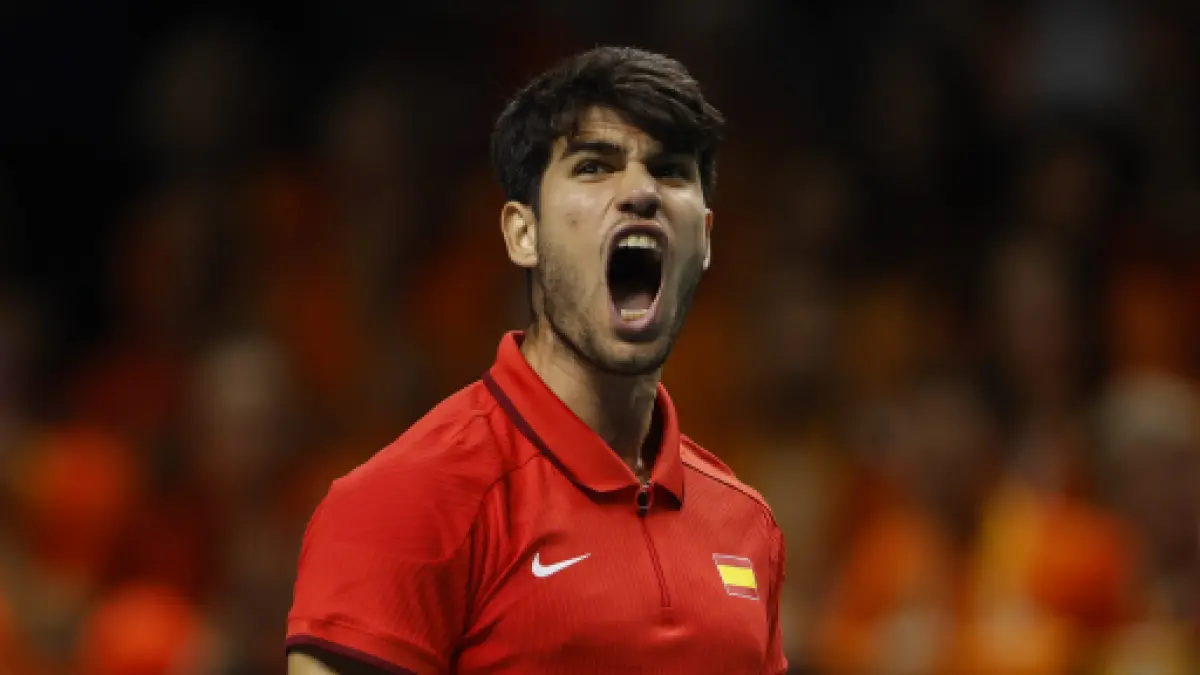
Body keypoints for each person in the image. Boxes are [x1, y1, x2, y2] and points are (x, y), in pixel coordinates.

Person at [285, 46, 787, 675]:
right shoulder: (404, 503)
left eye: (670, 171)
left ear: (705, 238)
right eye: (594, 166)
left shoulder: (747, 525)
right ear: (523, 234)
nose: (640, 192)